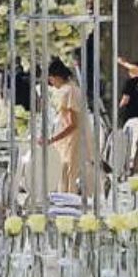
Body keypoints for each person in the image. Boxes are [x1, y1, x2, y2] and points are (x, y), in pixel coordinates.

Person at [45, 59, 90, 194]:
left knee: (69, 178)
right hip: (69, 141)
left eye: (51, 79)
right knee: (66, 177)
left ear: (57, 77)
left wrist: (52, 139)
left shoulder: (69, 92)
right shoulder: (73, 89)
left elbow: (73, 123)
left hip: (71, 142)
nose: (51, 83)